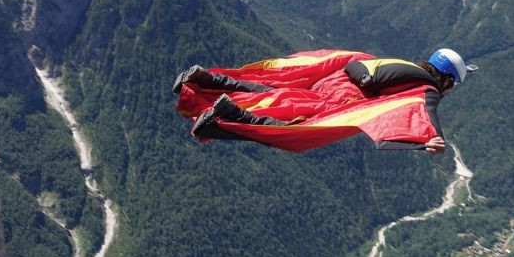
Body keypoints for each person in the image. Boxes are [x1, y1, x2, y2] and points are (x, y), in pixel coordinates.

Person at [173, 48, 477, 154]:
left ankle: (210, 81)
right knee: (296, 136)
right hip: (341, 99)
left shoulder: (403, 64)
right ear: (447, 80)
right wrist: (431, 139)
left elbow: (359, 68)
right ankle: (223, 117)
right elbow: (425, 109)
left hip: (331, 82)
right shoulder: (427, 87)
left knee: (276, 93)